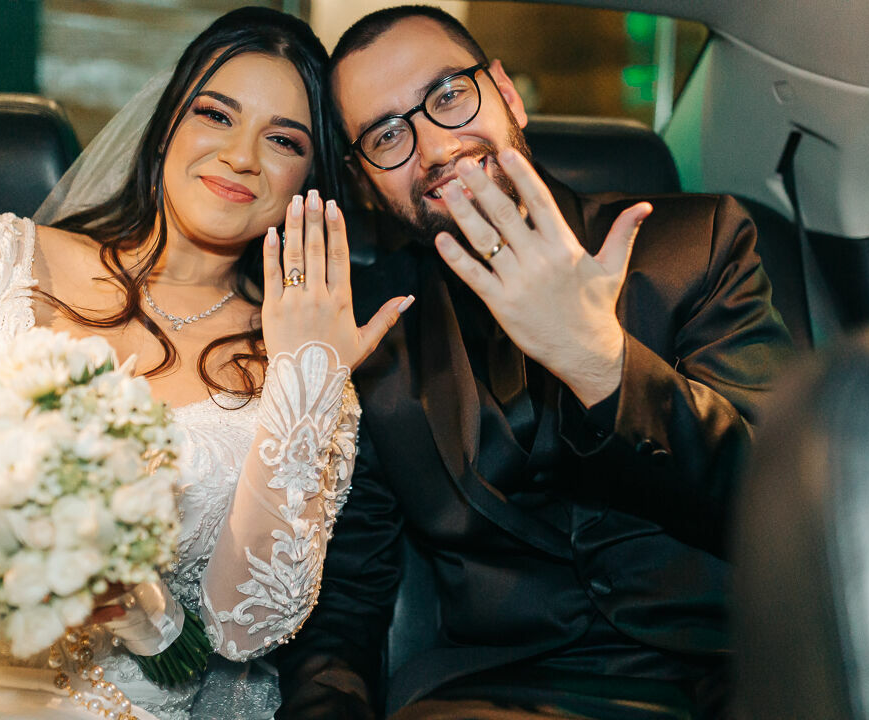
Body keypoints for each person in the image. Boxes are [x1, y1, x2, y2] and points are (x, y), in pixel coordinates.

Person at [272, 6, 794, 720]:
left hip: (729, 676)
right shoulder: (374, 338)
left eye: (449, 95)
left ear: (508, 96)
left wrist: (601, 364)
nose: (433, 148)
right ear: (366, 183)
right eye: (388, 134)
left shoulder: (697, 243)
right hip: (499, 691)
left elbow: (783, 496)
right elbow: (346, 609)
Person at [0, 7, 410, 720]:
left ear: (309, 181)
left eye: (282, 140)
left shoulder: (306, 363)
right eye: (216, 114)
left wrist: (306, 382)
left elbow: (248, 628)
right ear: (168, 118)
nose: (240, 156)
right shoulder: (1, 258)